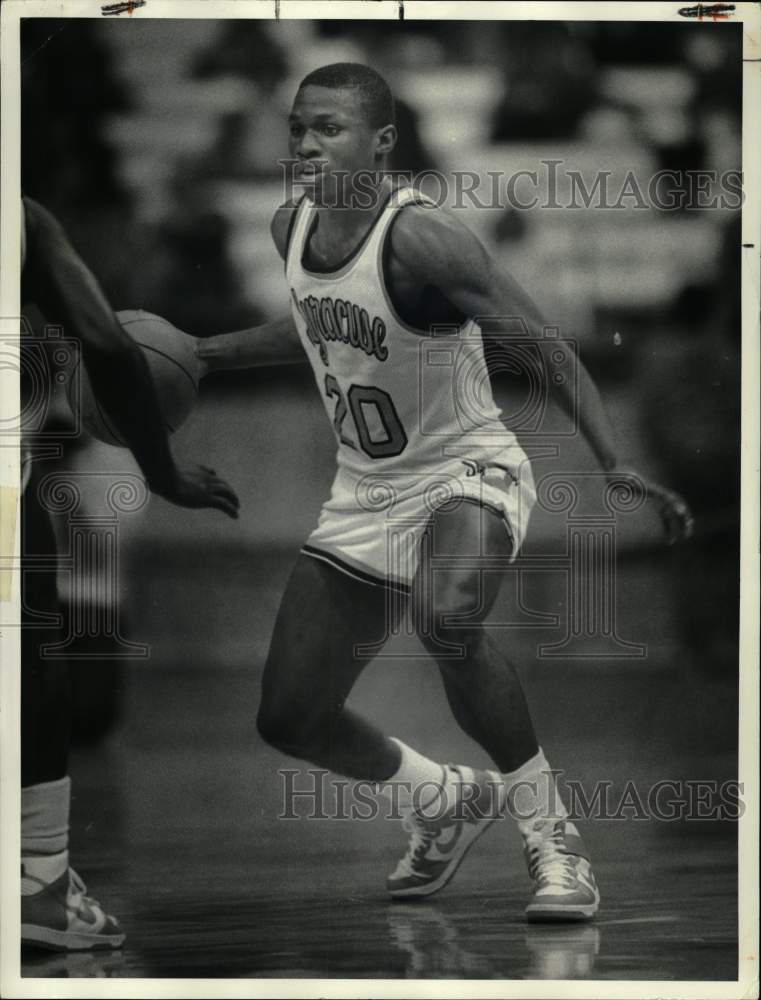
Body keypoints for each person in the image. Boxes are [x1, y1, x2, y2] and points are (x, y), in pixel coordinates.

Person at [196, 63, 692, 921]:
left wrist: (609, 459)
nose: (306, 144)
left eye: (328, 128)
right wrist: (204, 354)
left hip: (467, 466)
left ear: (382, 141)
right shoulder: (291, 226)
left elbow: (540, 345)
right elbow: (317, 325)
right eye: (298, 128)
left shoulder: (424, 239)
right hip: (365, 489)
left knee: (447, 617)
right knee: (289, 718)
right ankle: (439, 798)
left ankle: (555, 839)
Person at [19, 196, 240, 951]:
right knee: (35, 646)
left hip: (69, 460)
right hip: (47, 469)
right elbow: (109, 346)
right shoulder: (23, 220)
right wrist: (163, 466)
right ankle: (37, 876)